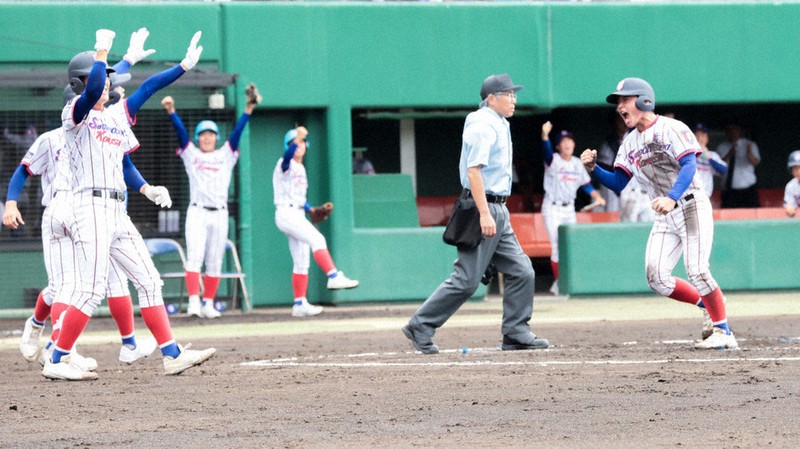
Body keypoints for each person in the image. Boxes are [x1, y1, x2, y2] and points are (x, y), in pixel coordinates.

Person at [43, 29, 216, 381]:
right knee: (91, 291)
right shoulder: (74, 113)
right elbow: (93, 88)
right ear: (80, 81)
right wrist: (102, 49)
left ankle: (171, 353)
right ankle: (58, 359)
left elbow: (148, 87)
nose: (109, 84)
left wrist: (182, 66)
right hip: (87, 207)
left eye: (108, 79)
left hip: (116, 210)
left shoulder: (114, 115)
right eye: (103, 78)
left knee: (150, 281)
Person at [9, 29, 163, 370]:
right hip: (62, 210)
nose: (102, 94)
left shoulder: (102, 124)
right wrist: (10, 202)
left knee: (85, 285)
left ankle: (67, 347)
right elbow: (23, 170)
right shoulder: (60, 130)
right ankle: (47, 337)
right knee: (66, 287)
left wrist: (130, 59)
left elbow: (106, 82)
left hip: (88, 210)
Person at [580, 77, 736, 349]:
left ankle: (724, 332)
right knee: (657, 278)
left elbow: (689, 165)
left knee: (697, 269)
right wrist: (594, 168)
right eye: (618, 102)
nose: (620, 107)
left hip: (689, 202)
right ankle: (708, 307)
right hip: (664, 212)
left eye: (625, 100)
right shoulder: (629, 142)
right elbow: (618, 182)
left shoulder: (671, 128)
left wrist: (672, 198)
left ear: (644, 100)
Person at [402, 73, 549, 354]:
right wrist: (484, 214)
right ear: (491, 98)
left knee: (522, 271)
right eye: (509, 94)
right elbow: (473, 171)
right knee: (467, 280)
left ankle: (516, 331)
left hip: (498, 207)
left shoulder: (499, 122)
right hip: (483, 206)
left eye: (514, 94)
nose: (514, 99)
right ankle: (420, 325)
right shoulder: (483, 123)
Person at [160, 83, 260, 319]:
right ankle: (194, 302)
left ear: (216, 138)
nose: (207, 138)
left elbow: (236, 135)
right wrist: (172, 112)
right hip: (198, 212)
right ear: (198, 138)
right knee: (195, 256)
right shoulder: (192, 154)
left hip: (220, 213)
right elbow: (182, 137)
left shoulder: (224, 155)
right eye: (203, 134)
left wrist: (248, 109)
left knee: (215, 260)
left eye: (211, 134)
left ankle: (208, 303)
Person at [273, 125, 359, 317]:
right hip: (286, 213)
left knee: (302, 261)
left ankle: (299, 303)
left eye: (302, 142)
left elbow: (299, 199)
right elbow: (287, 158)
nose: (299, 145)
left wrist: (310, 209)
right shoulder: (284, 163)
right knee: (318, 240)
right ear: (289, 146)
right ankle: (333, 276)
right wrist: (298, 137)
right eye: (294, 143)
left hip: (296, 212)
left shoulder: (301, 168)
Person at [539, 122, 605, 295]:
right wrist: (545, 136)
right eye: (563, 141)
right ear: (558, 145)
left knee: (570, 244)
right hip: (552, 207)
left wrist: (597, 197)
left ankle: (564, 282)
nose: (567, 144)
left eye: (570, 141)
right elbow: (546, 153)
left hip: (569, 209)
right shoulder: (554, 160)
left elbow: (587, 185)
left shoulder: (577, 163)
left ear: (574, 144)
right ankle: (560, 283)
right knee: (556, 245)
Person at [717, 121, 761, 208]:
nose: (732, 132)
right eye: (729, 130)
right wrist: (730, 153)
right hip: (729, 190)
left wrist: (749, 153)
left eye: (734, 129)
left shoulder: (749, 144)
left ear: (739, 131)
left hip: (748, 189)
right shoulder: (722, 147)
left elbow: (756, 162)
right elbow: (719, 166)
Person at [596, 114, 627, 213]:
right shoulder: (609, 142)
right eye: (619, 121)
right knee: (612, 213)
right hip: (613, 182)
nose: (622, 124)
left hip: (631, 185)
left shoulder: (634, 137)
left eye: (624, 121)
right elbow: (603, 165)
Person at [693, 123, 728, 199]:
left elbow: (723, 170)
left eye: (703, 135)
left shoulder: (712, 155)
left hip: (705, 196)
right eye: (697, 135)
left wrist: (709, 158)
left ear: (707, 138)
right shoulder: (687, 153)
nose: (699, 138)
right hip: (688, 196)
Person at [783, 150, 800, 217]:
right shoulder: (791, 186)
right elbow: (789, 207)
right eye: (795, 168)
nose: (798, 171)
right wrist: (790, 210)